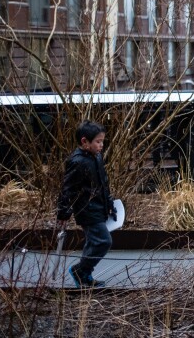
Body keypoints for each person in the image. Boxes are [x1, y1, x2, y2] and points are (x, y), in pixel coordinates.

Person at [56, 121, 116, 286]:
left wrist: (109, 202)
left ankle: (84, 275)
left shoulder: (96, 157)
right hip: (87, 209)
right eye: (98, 141)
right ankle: (81, 270)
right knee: (103, 241)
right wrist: (63, 212)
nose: (101, 145)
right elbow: (67, 189)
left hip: (99, 206)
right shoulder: (77, 162)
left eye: (102, 141)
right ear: (84, 141)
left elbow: (103, 182)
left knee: (93, 241)